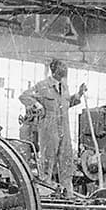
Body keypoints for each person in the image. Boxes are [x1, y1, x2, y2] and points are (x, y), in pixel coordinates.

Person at [18, 59, 86, 195]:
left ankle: (68, 194)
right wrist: (37, 104)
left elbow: (67, 104)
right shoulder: (42, 85)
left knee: (66, 161)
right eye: (62, 66)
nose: (65, 68)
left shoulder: (64, 87)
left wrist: (79, 94)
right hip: (49, 129)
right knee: (47, 161)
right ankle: (45, 192)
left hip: (64, 129)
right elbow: (24, 96)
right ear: (54, 69)